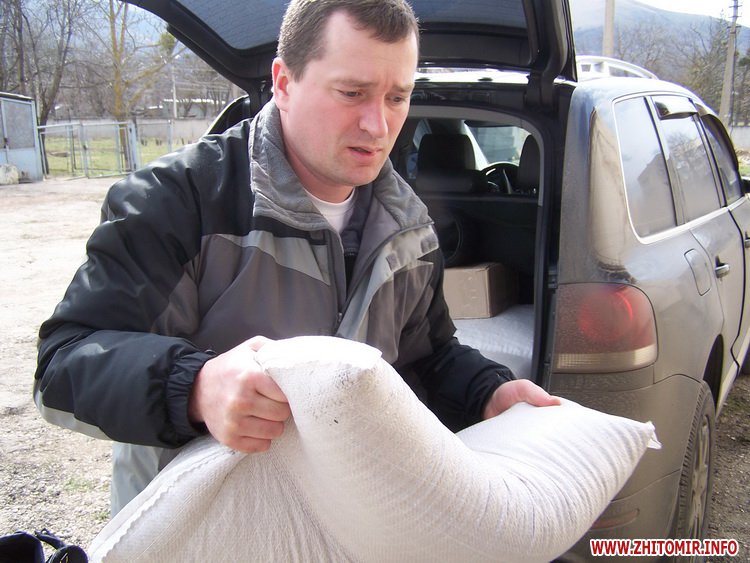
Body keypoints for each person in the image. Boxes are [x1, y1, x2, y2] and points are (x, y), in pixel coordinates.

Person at [34, 0, 558, 516]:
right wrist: (195, 387)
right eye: (352, 93)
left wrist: (489, 393)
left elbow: (427, 357)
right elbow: (62, 365)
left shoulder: (409, 229)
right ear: (283, 83)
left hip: (337, 524)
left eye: (397, 97)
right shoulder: (178, 200)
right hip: (194, 529)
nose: (378, 125)